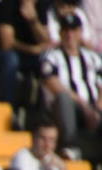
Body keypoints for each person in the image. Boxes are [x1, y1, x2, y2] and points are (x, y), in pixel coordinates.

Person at [40, 14, 102, 148]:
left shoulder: (93, 58)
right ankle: (70, 146)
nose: (70, 35)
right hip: (69, 108)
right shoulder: (51, 57)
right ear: (60, 33)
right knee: (63, 99)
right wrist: (85, 107)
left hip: (94, 108)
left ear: (80, 32)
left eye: (73, 30)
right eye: (66, 30)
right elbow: (52, 83)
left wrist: (97, 109)